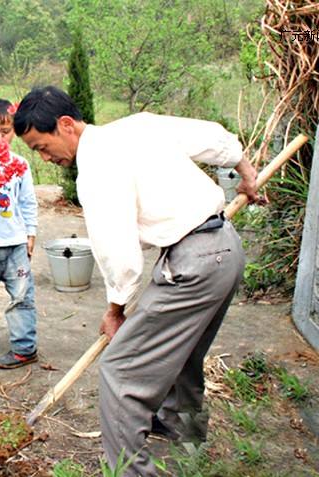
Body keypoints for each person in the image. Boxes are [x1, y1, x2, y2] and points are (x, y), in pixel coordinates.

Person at [13, 86, 260, 476]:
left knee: (121, 371)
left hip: (194, 264)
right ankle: (186, 435)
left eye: (42, 146)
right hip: (225, 249)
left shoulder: (96, 166)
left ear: (65, 125)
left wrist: (116, 309)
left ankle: (130, 471)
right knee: (184, 351)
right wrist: (246, 173)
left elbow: (118, 251)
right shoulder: (137, 126)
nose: (45, 157)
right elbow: (215, 139)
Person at [0, 98, 39, 369]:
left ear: (15, 131)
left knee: (22, 295)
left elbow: (27, 201)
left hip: (14, 244)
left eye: (6, 131)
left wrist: (30, 232)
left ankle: (25, 347)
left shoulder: (20, 165)